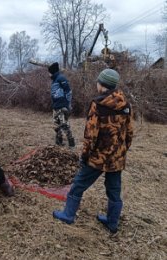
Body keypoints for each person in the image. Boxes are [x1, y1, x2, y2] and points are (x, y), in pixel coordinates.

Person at [53, 69, 133, 233]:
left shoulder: (98, 105)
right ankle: (112, 222)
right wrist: (121, 151)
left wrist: (85, 156)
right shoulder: (126, 104)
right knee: (114, 189)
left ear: (101, 84)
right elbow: (130, 133)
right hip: (117, 158)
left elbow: (91, 136)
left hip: (97, 156)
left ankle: (68, 215)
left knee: (78, 185)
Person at [48, 62, 75, 148]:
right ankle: (59, 141)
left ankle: (71, 143)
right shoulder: (54, 80)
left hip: (62, 106)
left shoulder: (61, 78)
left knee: (64, 124)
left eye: (49, 72)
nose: (48, 74)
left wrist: (68, 105)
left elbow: (68, 91)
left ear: (52, 71)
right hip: (56, 106)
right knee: (56, 125)